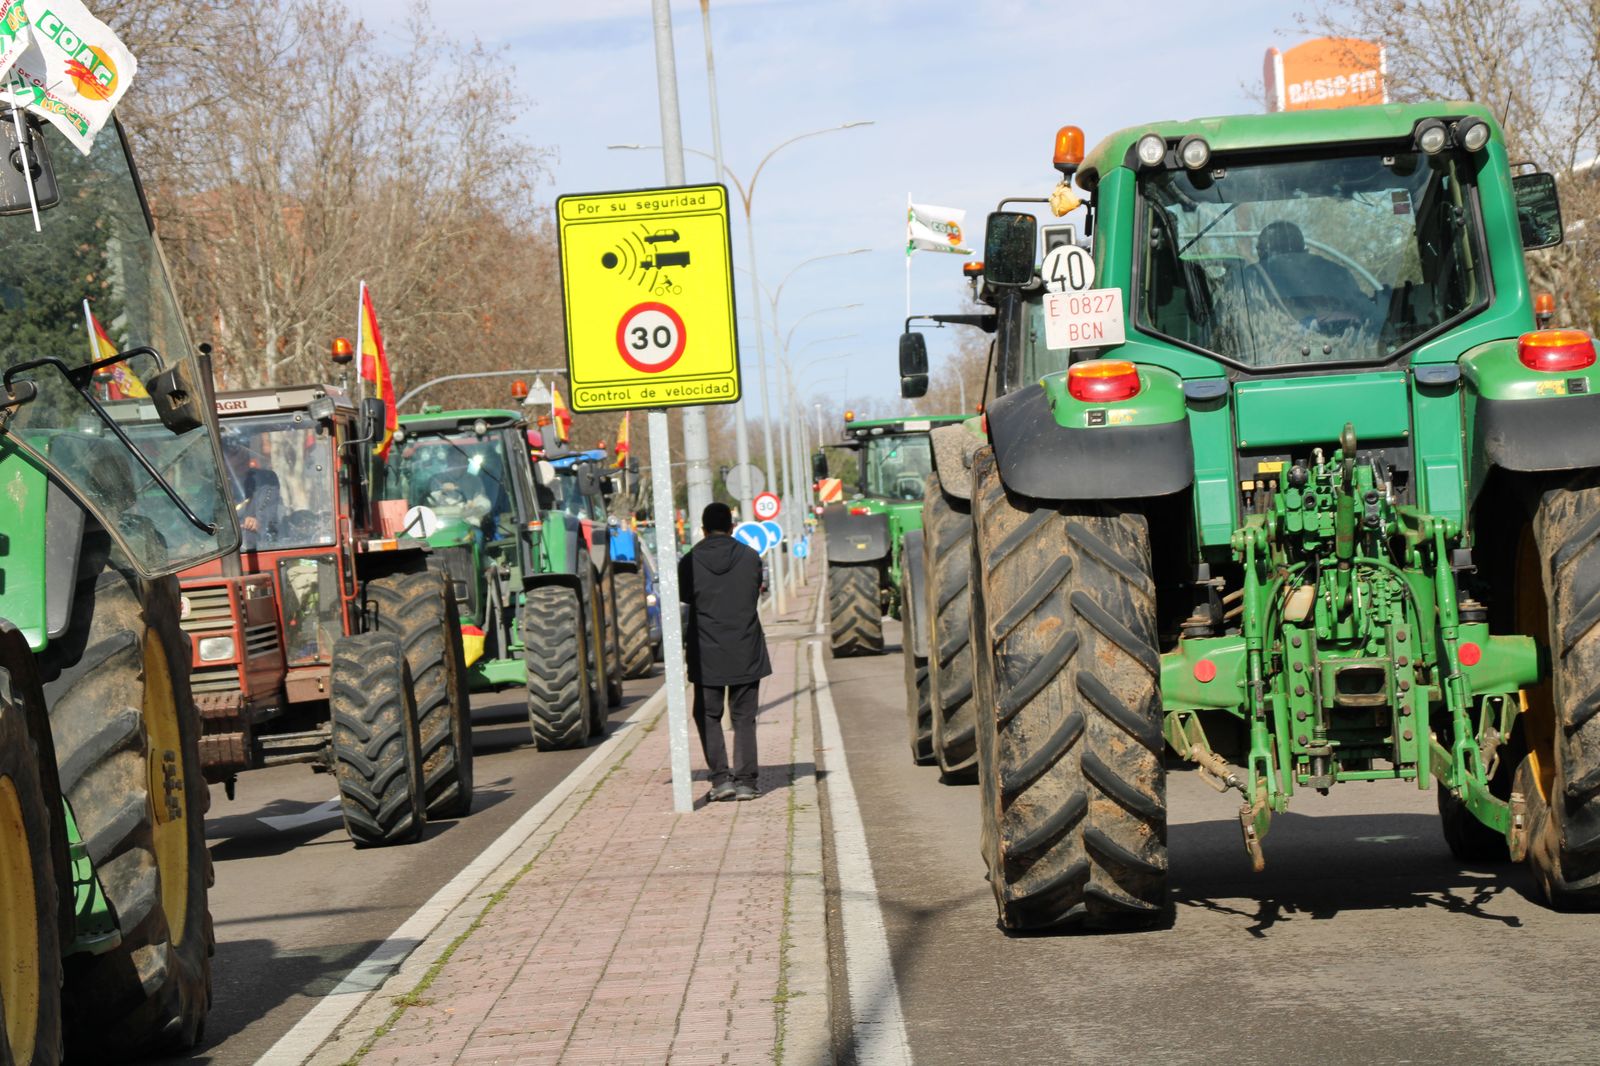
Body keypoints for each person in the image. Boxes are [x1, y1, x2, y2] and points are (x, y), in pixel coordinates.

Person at [679, 501, 771, 802]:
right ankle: (746, 782)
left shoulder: (690, 561)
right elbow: (757, 589)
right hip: (746, 648)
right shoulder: (751, 557)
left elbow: (684, 597)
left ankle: (721, 780)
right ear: (733, 527)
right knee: (744, 717)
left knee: (707, 714)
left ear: (703, 530)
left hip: (707, 653)